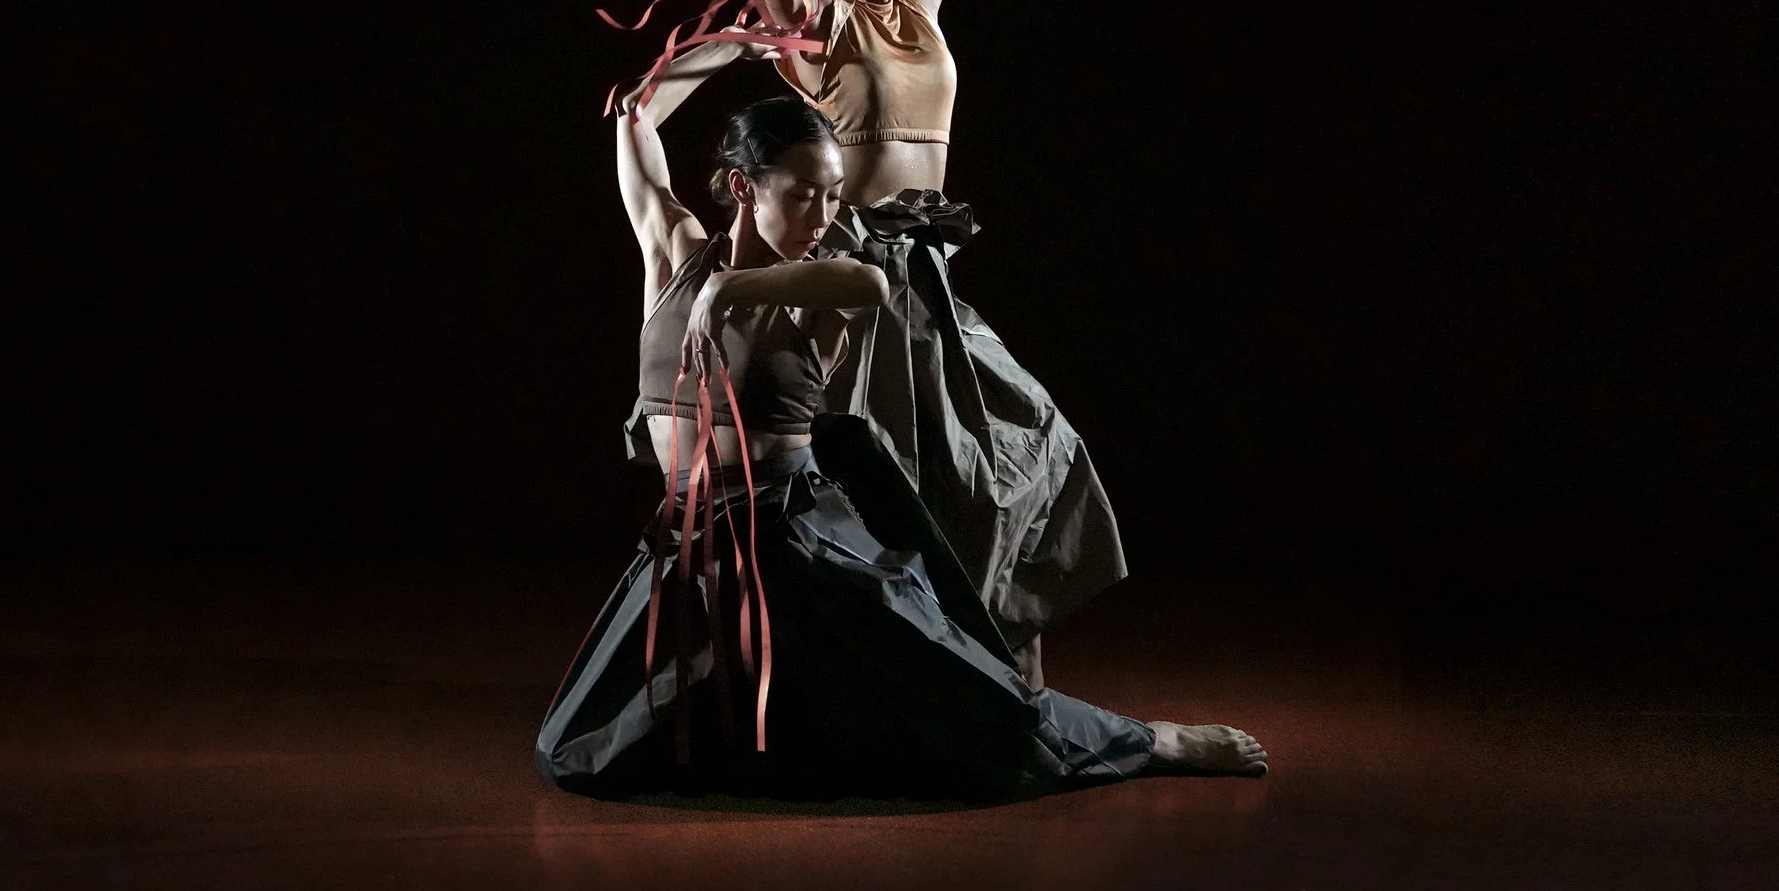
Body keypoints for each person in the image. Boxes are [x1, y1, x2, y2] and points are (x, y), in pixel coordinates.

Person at [533, 93, 1265, 798]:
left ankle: (1153, 740)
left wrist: (729, 293)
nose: (823, 216)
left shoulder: (814, 290)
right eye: (802, 195)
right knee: (576, 750)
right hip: (692, 550)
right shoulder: (673, 257)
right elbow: (635, 121)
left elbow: (869, 285)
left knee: (991, 720)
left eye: (832, 195)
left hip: (796, 548)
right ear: (740, 186)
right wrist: (730, 45)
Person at [692, 0, 1123, 688]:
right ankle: (935, 676)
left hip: (926, 265)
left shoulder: (918, 3)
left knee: (1024, 448)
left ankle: (1006, 669)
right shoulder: (815, 18)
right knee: (915, 476)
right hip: (862, 271)